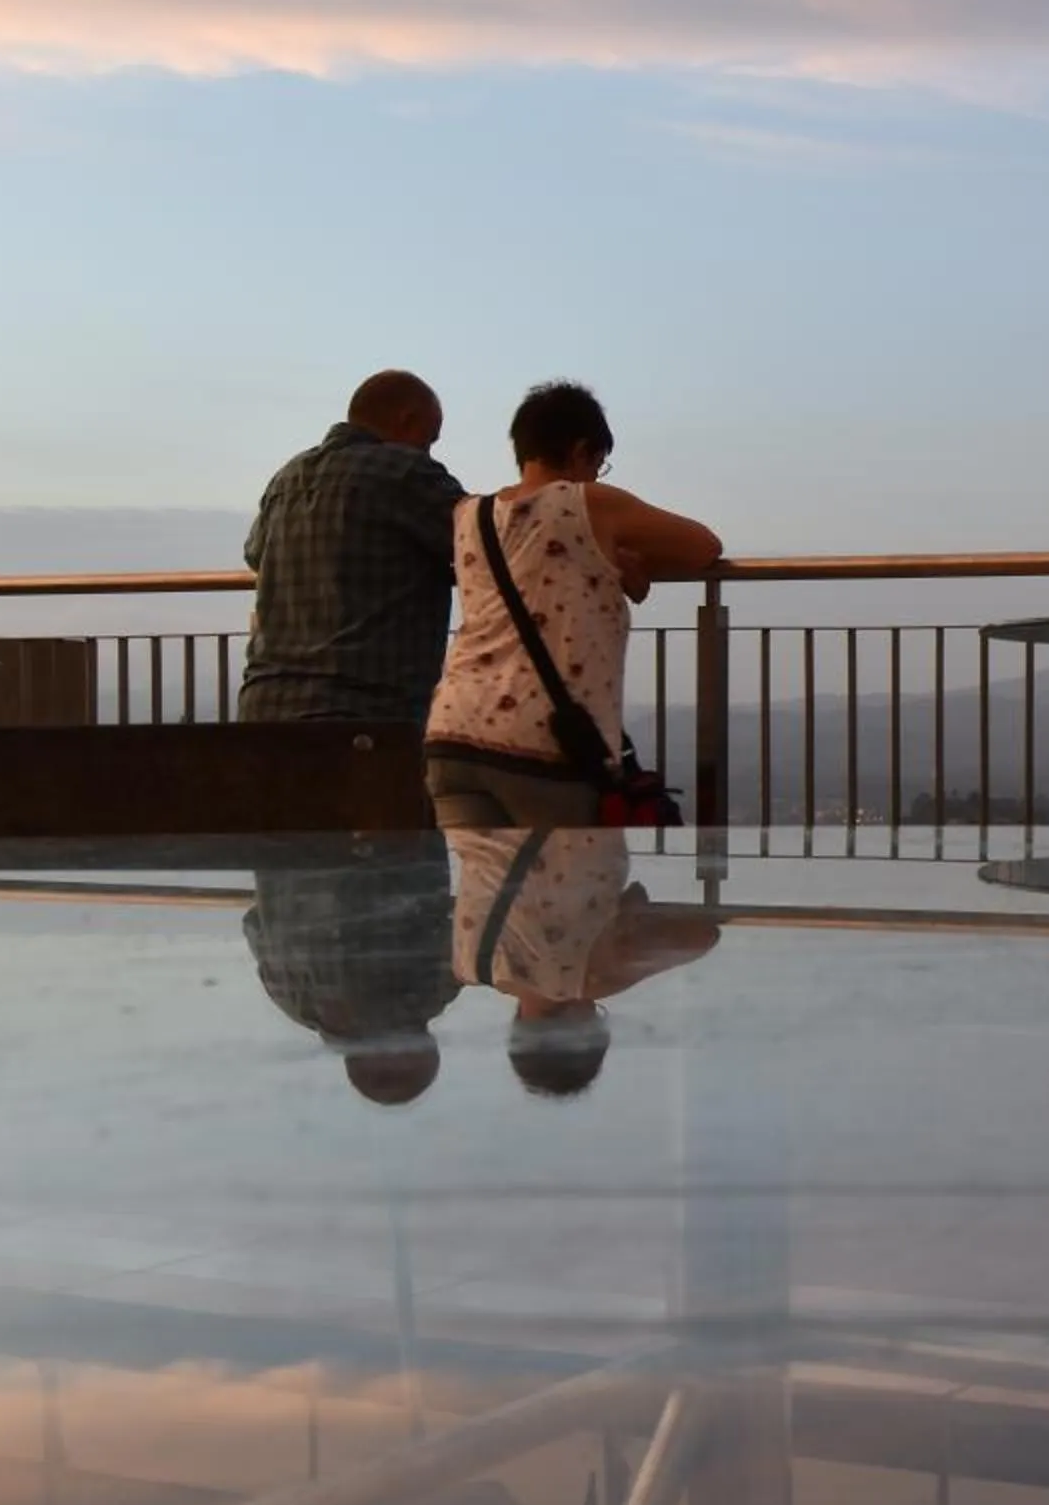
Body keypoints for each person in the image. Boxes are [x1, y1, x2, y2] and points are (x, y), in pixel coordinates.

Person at [423, 381, 721, 829]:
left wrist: (611, 565)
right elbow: (702, 546)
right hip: (543, 745)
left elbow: (541, 570)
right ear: (582, 450)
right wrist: (626, 558)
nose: (597, 475)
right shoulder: (589, 501)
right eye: (599, 464)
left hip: (454, 734)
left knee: (486, 895)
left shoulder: (470, 514)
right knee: (566, 893)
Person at [238, 370, 466, 723]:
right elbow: (485, 540)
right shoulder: (404, 471)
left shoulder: (287, 476)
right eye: (429, 439)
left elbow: (255, 554)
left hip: (264, 706)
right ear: (406, 420)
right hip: (365, 713)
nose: (428, 450)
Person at [447, 825, 721, 1094]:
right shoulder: (468, 967)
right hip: (473, 806)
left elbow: (701, 936)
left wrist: (627, 918)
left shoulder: (591, 978)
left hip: (570, 801)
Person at [242, 836, 463, 1105]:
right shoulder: (291, 1002)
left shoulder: (426, 995)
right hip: (281, 835)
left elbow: (459, 933)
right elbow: (253, 923)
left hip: (384, 828)